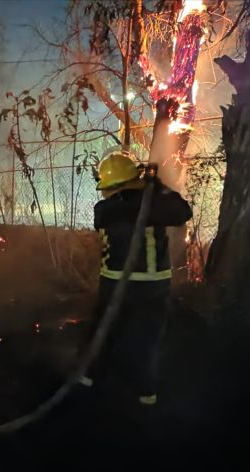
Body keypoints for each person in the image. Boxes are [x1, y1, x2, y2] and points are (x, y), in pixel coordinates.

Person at [80, 151, 192, 406]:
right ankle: (146, 394)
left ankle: (88, 377)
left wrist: (148, 193)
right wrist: (157, 188)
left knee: (104, 331)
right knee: (146, 339)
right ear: (133, 180)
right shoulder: (152, 205)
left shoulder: (104, 209)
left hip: (112, 283)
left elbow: (126, 210)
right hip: (151, 286)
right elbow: (182, 211)